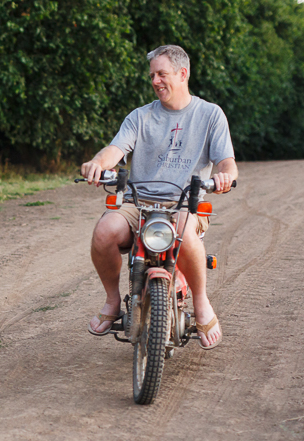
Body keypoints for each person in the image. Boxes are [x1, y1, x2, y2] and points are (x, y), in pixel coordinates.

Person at [80, 44, 238, 350]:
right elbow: (115, 149)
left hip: (184, 204)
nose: (155, 81)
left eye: (161, 74)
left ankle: (202, 303)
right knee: (104, 231)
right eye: (152, 75)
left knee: (183, 228)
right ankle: (113, 301)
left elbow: (226, 161)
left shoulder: (210, 115)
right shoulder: (140, 117)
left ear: (183, 74)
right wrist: (98, 163)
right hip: (137, 203)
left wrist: (225, 176)